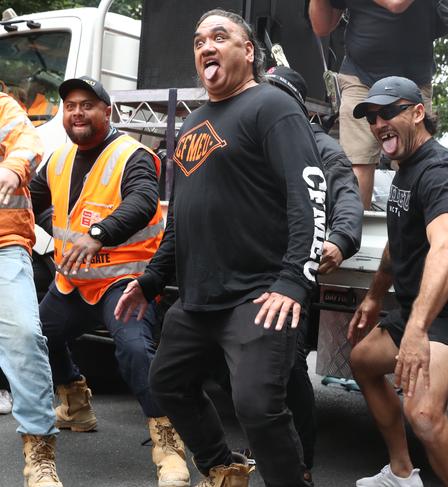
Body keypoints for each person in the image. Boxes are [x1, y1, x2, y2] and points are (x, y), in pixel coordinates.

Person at [114, 10, 326, 487]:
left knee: (256, 405)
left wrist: (294, 280)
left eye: (219, 36)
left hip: (257, 295)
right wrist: (150, 280)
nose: (206, 47)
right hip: (196, 299)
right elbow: (182, 218)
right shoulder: (192, 125)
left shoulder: (272, 107)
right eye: (198, 41)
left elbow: (310, 194)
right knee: (167, 381)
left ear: (248, 51)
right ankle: (223, 467)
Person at [28, 76, 190, 487]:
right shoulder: (60, 158)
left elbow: (142, 201)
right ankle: (75, 401)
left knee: (135, 350)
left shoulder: (132, 155)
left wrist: (97, 234)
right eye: (70, 106)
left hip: (125, 280)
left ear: (107, 111)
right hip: (74, 282)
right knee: (34, 338)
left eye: (87, 104)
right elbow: (37, 196)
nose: (77, 112)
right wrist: (58, 230)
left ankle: (168, 445)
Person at [348, 76, 448, 487]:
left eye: (388, 112)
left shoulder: (440, 170)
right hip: (417, 311)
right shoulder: (404, 171)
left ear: (417, 112)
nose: (378, 124)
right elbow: (399, 244)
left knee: (424, 414)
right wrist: (375, 296)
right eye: (373, 117)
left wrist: (417, 330)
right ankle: (401, 473)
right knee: (362, 361)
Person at [266, 65, 364, 473]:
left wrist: (339, 241)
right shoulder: (251, 135)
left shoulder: (321, 146)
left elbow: (347, 197)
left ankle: (299, 463)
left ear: (300, 108)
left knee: (285, 365)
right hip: (246, 271)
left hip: (291, 270)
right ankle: (269, 450)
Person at [309, 0, 447, 210]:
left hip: (413, 81)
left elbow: (396, 3)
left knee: (416, 163)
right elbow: (321, 26)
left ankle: (412, 238)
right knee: (357, 161)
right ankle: (352, 237)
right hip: (360, 76)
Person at [0, 91, 64, 486]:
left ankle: (39, 454)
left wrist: (12, 166)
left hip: (4, 243)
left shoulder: (2, 105)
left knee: (24, 335)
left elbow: (28, 140)